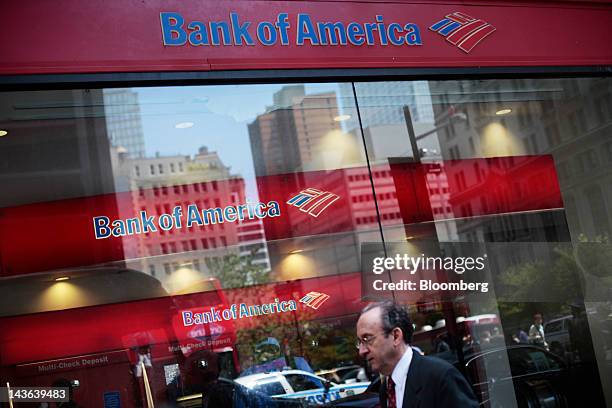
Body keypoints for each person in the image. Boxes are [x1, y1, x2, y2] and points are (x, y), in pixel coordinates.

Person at [356, 301, 478, 408]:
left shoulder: (440, 376)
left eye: (367, 339)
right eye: (360, 342)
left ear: (396, 336)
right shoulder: (386, 388)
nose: (362, 351)